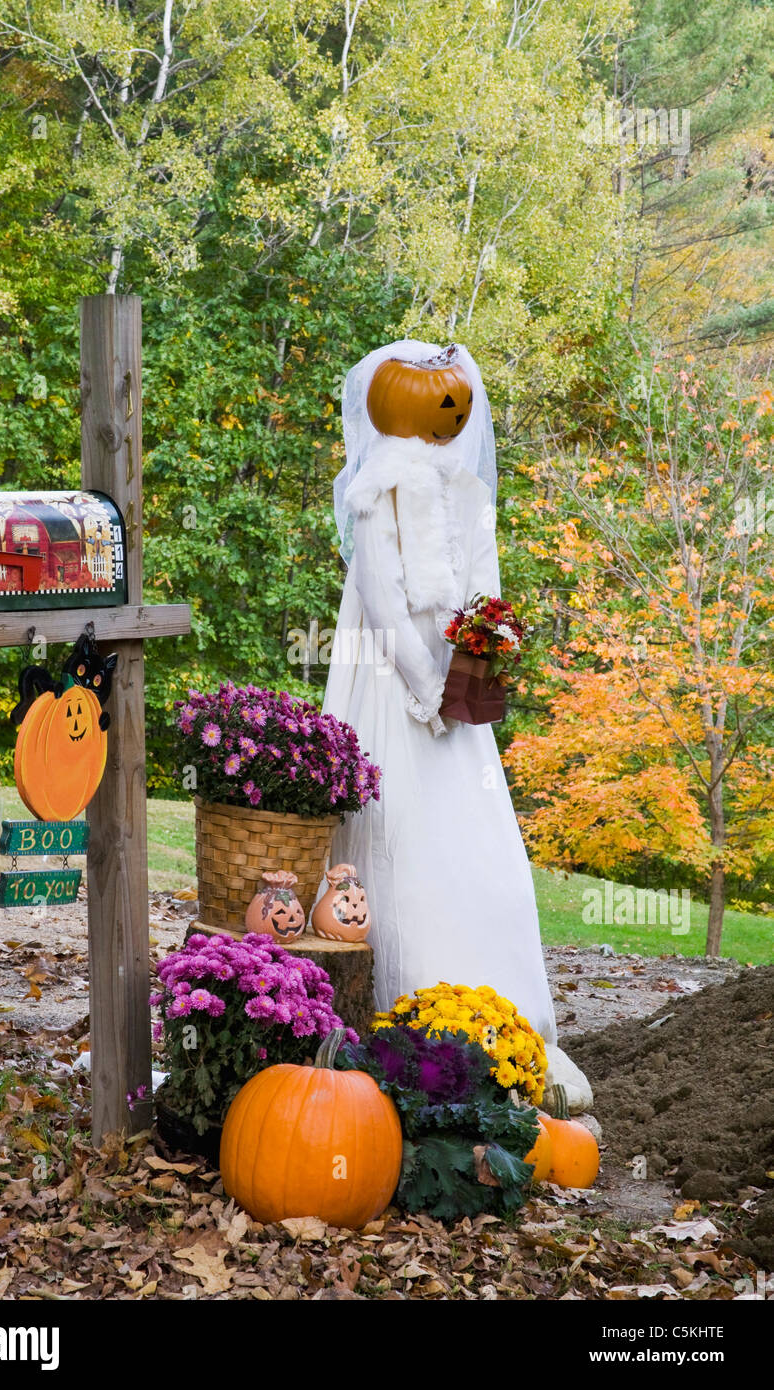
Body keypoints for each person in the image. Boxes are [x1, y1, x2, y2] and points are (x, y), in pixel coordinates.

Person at [322, 339, 557, 1046]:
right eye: (437, 397)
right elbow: (383, 598)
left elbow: (484, 577)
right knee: (399, 828)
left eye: (461, 398)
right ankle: (405, 1001)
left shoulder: (467, 489)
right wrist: (426, 686)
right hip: (392, 679)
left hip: (456, 679)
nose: (454, 409)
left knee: (472, 839)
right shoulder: (379, 487)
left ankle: (498, 1008)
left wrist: (485, 643)